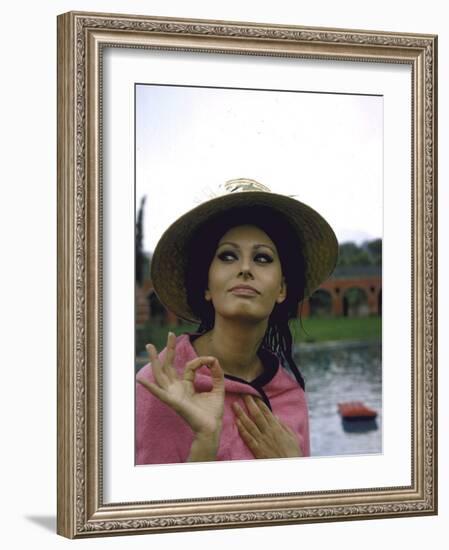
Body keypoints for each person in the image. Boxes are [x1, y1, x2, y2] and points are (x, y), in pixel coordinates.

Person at [136, 178, 338, 464]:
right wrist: (205, 442)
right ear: (206, 285)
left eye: (263, 258)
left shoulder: (291, 397)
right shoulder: (159, 386)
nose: (245, 268)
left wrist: (293, 466)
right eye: (228, 256)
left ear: (281, 289)